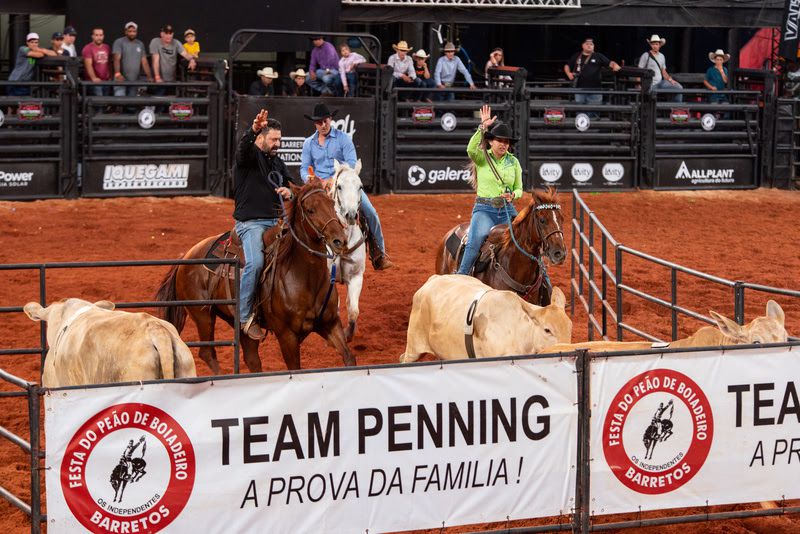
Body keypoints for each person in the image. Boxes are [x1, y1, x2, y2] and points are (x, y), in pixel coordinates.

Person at [300, 102, 394, 270]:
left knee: (370, 212)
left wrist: (333, 178)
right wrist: (311, 178)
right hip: (321, 188)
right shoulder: (308, 143)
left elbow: (351, 163)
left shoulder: (343, 138)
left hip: (345, 184)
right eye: (319, 122)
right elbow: (303, 167)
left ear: (330, 120)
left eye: (325, 121)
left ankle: (379, 253)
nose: (323, 125)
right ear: (315, 123)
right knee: (303, 213)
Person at [233, 109, 300, 340]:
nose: (278, 143)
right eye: (274, 139)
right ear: (261, 138)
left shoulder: (277, 163)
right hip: (251, 223)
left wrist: (289, 192)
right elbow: (242, 150)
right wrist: (252, 129)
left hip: (275, 222)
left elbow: (293, 186)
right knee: (256, 262)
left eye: (280, 139)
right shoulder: (250, 157)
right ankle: (244, 317)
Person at [456, 104, 522, 276]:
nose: (503, 144)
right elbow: (470, 149)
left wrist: (513, 195)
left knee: (526, 240)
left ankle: (545, 285)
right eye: (500, 140)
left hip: (507, 208)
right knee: (474, 241)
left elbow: (520, 188)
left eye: (506, 141)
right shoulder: (482, 157)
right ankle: (460, 278)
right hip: (484, 209)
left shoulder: (514, 162)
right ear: (491, 141)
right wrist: (482, 128)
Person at [563, 37, 621, 107]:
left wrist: (615, 65)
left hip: (595, 89)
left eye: (591, 44)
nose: (589, 45)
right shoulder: (577, 55)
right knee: (580, 111)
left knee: (594, 111)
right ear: (582, 45)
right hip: (579, 89)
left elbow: (610, 63)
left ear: (593, 46)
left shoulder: (598, 56)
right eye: (587, 44)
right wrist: (568, 73)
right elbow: (567, 65)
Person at [149, 24, 196, 94]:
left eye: (170, 33)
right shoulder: (155, 42)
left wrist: (192, 60)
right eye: (166, 33)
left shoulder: (176, 43)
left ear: (173, 34)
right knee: (159, 101)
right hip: (158, 81)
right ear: (161, 34)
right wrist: (157, 77)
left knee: (171, 103)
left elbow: (185, 54)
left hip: (171, 81)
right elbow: (155, 59)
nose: (168, 36)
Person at [637, 34, 683, 102]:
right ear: (650, 45)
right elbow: (639, 71)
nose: (655, 46)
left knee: (679, 87)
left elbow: (663, 72)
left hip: (660, 83)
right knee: (650, 97)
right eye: (653, 44)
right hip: (649, 85)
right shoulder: (646, 55)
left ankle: (677, 109)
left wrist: (670, 80)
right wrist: (638, 84)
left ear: (659, 45)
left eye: (656, 44)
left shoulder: (662, 56)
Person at [112, 22, 153, 97]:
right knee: (119, 99)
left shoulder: (140, 44)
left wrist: (149, 76)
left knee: (132, 103)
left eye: (134, 31)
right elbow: (116, 58)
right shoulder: (119, 42)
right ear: (125, 32)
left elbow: (144, 62)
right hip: (121, 78)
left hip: (135, 79)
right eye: (130, 31)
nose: (132, 33)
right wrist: (117, 73)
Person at [82, 27, 112, 96]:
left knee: (105, 102)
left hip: (106, 81)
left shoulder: (107, 47)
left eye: (101, 35)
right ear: (92, 36)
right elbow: (88, 65)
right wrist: (93, 78)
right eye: (96, 35)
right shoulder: (88, 48)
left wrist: (110, 76)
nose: (99, 37)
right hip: (94, 82)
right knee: (99, 103)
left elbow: (109, 63)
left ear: (103, 36)